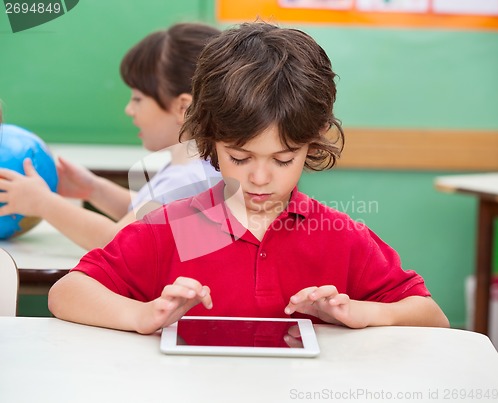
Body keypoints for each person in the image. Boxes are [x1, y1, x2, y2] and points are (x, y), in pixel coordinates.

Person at [48, 22, 449, 334]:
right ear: (210, 141)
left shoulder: (339, 237)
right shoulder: (176, 228)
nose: (260, 178)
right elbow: (67, 293)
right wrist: (142, 314)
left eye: (283, 159)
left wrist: (359, 312)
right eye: (239, 157)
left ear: (311, 144)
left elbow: (432, 317)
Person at [0, 23, 221, 250]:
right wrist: (95, 189)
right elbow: (147, 214)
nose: (129, 109)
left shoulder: (187, 180)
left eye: (137, 99)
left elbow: (118, 242)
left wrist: (43, 203)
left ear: (183, 108)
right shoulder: (198, 169)